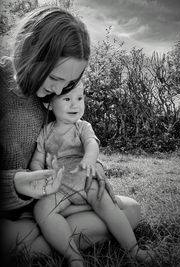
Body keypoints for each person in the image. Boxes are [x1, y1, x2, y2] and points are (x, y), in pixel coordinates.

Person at [0, 4, 141, 263]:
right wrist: (16, 183)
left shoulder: (49, 96)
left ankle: (41, 242)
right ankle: (43, 241)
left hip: (50, 203)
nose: (59, 90)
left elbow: (69, 137)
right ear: (31, 52)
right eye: (55, 77)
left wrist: (91, 163)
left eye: (68, 83)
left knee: (131, 209)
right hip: (13, 213)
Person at [30, 81, 152, 266]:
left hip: (86, 181)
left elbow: (91, 144)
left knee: (108, 205)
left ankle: (133, 249)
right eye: (67, 99)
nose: (75, 104)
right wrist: (39, 173)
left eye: (80, 98)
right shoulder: (46, 132)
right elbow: (37, 159)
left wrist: (89, 158)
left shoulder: (82, 127)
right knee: (42, 211)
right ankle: (73, 256)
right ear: (49, 104)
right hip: (59, 187)